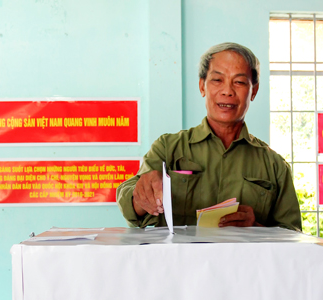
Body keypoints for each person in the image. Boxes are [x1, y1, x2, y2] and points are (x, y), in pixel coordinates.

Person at [116, 42, 302, 231]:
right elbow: (129, 206)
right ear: (202, 86)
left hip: (244, 261)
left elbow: (294, 236)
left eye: (239, 82)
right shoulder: (168, 148)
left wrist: (256, 227)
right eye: (217, 80)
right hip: (180, 260)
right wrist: (142, 195)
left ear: (253, 90)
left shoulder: (274, 166)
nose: (227, 91)